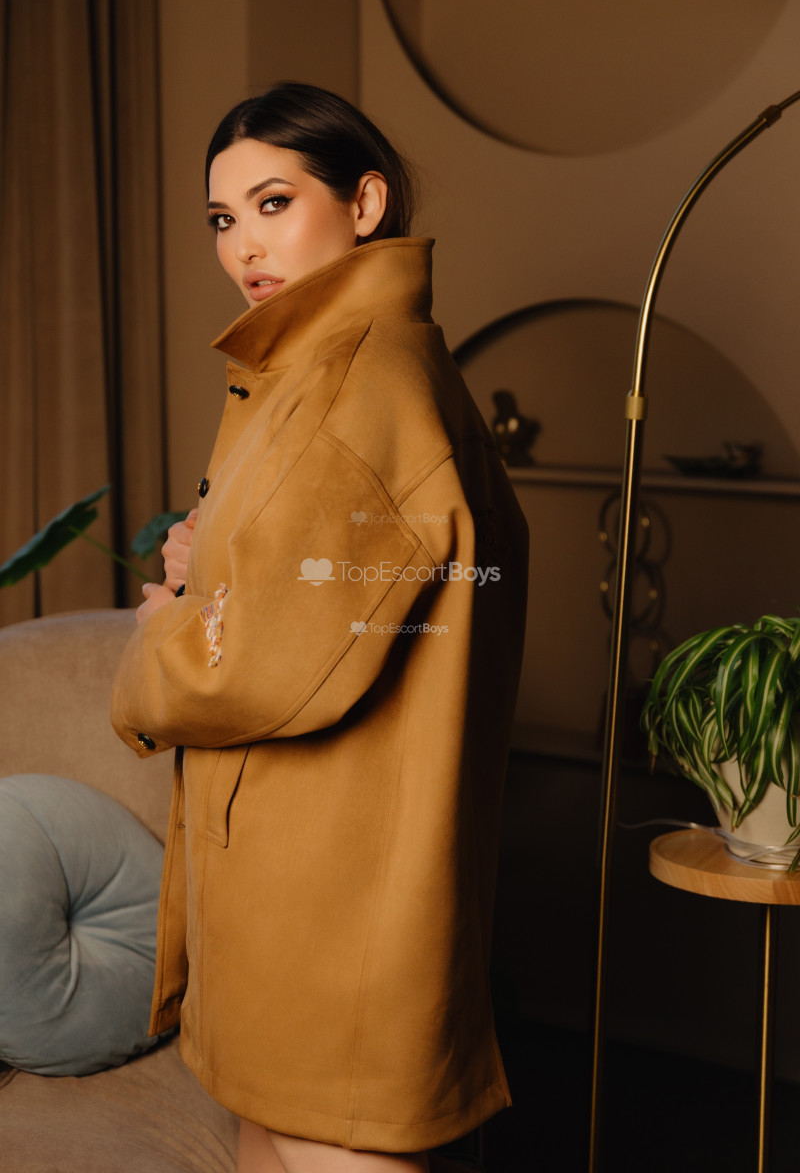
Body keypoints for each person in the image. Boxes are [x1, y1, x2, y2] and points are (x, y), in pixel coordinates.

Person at [111, 82, 528, 1173]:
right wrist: (214, 567)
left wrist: (160, 635)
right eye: (223, 218)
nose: (243, 245)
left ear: (364, 203)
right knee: (266, 1132)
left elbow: (259, 665)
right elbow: (337, 588)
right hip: (292, 871)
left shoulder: (353, 379)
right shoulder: (318, 368)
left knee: (322, 1138)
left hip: (334, 893)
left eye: (273, 203)